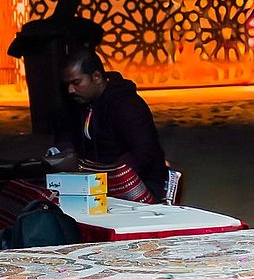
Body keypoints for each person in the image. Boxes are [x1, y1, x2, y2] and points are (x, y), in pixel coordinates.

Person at [49, 47, 169, 203]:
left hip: (138, 183)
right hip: (95, 182)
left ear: (97, 77)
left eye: (76, 82)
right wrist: (65, 154)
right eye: (67, 85)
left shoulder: (127, 105)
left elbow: (144, 153)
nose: (70, 90)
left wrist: (105, 178)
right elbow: (65, 135)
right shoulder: (76, 104)